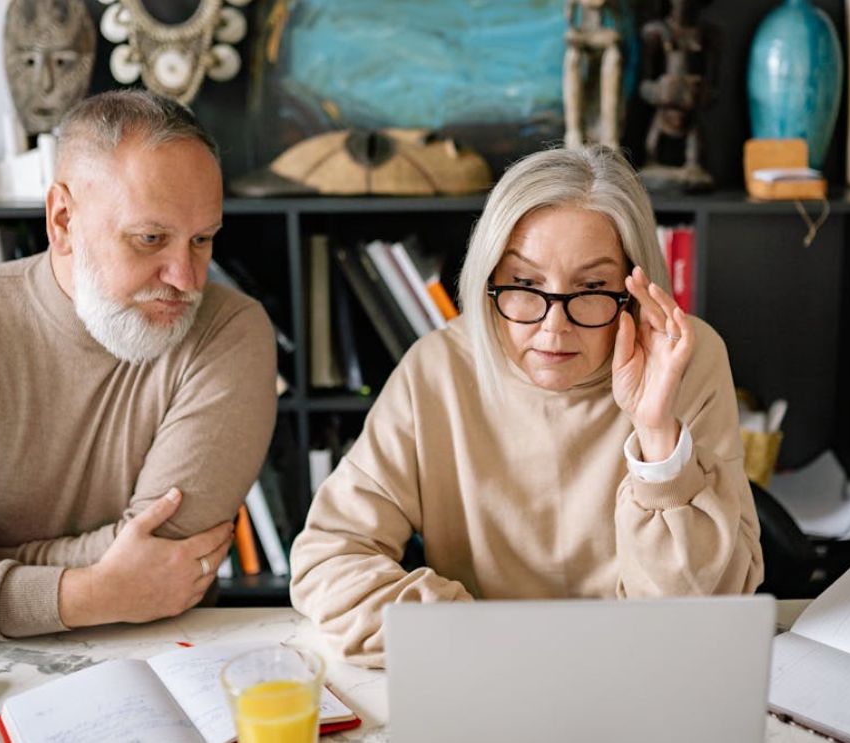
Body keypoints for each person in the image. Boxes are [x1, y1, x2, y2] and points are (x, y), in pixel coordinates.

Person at [289, 145, 764, 668]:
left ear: (634, 289)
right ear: (488, 277)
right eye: (524, 284)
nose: (553, 327)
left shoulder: (684, 359)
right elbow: (327, 561)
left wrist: (657, 437)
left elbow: (704, 611)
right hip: (483, 669)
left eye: (592, 287)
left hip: (639, 670)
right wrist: (481, 637)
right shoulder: (439, 367)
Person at [0, 90, 277, 641]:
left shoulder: (229, 329)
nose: (187, 279)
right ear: (63, 220)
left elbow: (170, 556)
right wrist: (88, 593)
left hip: (164, 649)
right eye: (150, 239)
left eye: (202, 239)